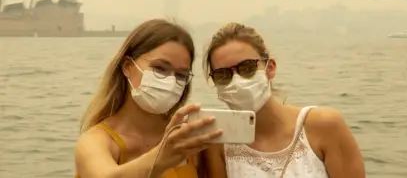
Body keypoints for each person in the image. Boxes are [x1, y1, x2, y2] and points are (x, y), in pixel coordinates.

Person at [203, 23, 365, 178]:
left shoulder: (326, 126)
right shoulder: (218, 144)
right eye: (223, 75)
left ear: (270, 68)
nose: (237, 80)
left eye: (247, 68)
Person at [74, 19, 222, 178]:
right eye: (159, 68)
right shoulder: (97, 141)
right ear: (127, 67)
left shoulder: (188, 140)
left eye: (181, 75)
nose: (170, 81)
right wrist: (161, 157)